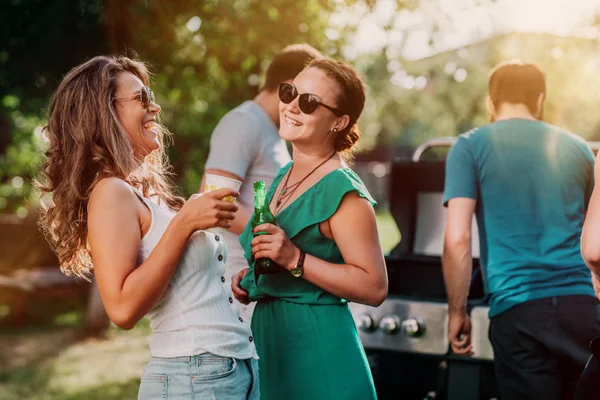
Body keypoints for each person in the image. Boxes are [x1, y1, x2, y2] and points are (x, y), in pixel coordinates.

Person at [37, 55, 259, 399]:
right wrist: (184, 223)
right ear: (104, 112)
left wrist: (232, 285)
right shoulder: (111, 192)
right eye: (141, 98)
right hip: (194, 378)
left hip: (229, 371)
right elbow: (122, 310)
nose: (154, 108)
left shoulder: (144, 194)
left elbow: (182, 285)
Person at [231, 58, 388, 400]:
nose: (291, 106)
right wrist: (252, 279)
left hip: (319, 356)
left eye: (309, 102)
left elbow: (374, 287)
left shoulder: (343, 191)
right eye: (290, 93)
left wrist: (294, 258)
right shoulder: (282, 179)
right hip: (274, 348)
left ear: (339, 122)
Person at [442, 60, 600, 400]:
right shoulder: (578, 148)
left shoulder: (470, 146)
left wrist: (457, 312)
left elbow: (457, 239)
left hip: (518, 310)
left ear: (490, 101)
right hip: (584, 307)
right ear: (539, 99)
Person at [202, 44, 322, 323]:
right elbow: (215, 199)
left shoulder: (275, 131)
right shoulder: (242, 123)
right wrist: (278, 244)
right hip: (235, 281)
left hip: (261, 280)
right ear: (292, 85)